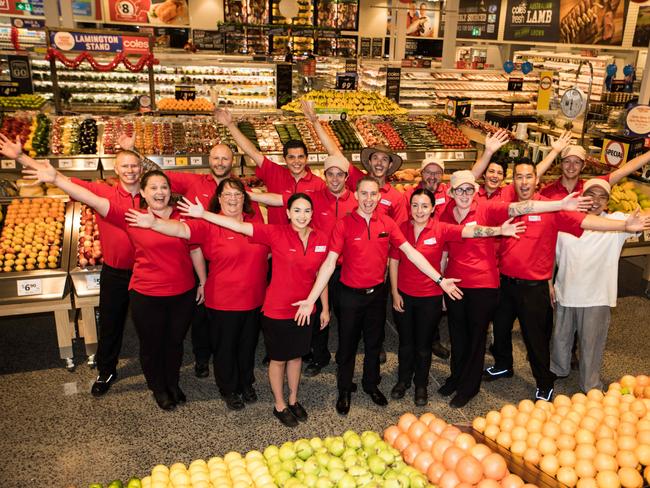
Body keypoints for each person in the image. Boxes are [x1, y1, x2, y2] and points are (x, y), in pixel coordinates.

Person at [24, 164, 204, 411]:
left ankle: (173, 382)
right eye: (153, 187)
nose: (160, 192)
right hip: (147, 293)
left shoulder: (184, 215)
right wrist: (57, 178)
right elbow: (94, 200)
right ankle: (159, 388)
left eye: (164, 187)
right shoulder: (132, 216)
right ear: (143, 191)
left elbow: (195, 249)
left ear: (170, 190)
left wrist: (202, 281)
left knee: (174, 341)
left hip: (182, 293)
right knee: (151, 344)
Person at [293, 177, 463, 415]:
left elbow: (412, 254)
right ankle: (344, 389)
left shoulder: (387, 223)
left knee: (374, 345)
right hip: (349, 295)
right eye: (364, 194)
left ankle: (370, 385)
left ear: (378, 197)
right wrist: (311, 299)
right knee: (347, 346)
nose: (369, 199)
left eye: (374, 194)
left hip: (376, 296)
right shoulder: (343, 224)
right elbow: (329, 263)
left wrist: (440, 280)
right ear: (356, 195)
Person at [486, 159, 650, 401]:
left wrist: (625, 225)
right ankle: (503, 364)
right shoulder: (508, 205)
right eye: (519, 177)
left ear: (536, 180)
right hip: (507, 282)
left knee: (536, 340)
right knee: (500, 330)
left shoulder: (554, 209)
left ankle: (545, 383)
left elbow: (586, 222)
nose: (524, 182)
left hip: (534, 288)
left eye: (529, 176)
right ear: (513, 181)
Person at [0, 134, 143, 398]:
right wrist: (21, 157)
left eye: (134, 165)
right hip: (115, 272)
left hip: (148, 274)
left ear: (141, 168)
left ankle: (156, 369)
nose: (130, 170)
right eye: (125, 166)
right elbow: (58, 178)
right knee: (111, 324)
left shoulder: (153, 193)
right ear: (116, 169)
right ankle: (106, 371)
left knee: (149, 325)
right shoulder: (102, 191)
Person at [438, 170, 592, 408]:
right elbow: (445, 249)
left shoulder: (487, 208)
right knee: (457, 336)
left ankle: (468, 387)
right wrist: (441, 282)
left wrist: (560, 203)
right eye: (460, 189)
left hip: (482, 284)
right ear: (451, 193)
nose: (465, 194)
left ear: (475, 191)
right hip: (455, 284)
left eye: (469, 189)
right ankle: (455, 377)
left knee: (476, 338)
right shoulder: (446, 212)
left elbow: (524, 207)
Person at [118, 134, 263, 379]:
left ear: (233, 161)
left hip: (230, 257)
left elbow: (254, 220)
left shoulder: (239, 190)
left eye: (225, 158)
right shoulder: (194, 182)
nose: (220, 162)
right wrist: (135, 151)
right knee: (200, 312)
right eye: (216, 158)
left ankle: (225, 357)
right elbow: (159, 176)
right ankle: (202, 358)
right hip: (197, 254)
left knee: (224, 315)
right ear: (209, 160)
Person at [178, 192, 330, 427]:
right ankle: (279, 404)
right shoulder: (275, 233)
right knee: (278, 359)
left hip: (306, 309)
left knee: (297, 356)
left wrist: (324, 308)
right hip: (277, 309)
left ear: (312, 213)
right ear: (288, 213)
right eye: (297, 210)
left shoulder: (321, 238)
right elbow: (238, 226)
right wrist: (203, 215)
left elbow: (322, 275)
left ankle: (293, 399)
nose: (302, 215)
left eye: (307, 211)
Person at [127, 178, 269, 410]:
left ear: (245, 198)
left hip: (254, 298)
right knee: (225, 348)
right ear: (219, 199)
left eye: (238, 194)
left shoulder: (255, 222)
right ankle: (229, 388)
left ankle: (247, 383)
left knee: (248, 346)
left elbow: (269, 251)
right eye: (227, 195)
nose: (233, 199)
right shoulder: (207, 225)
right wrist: (154, 223)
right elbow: (181, 229)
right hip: (224, 300)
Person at [389, 185, 526, 406]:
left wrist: (499, 230)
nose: (420, 210)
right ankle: (404, 381)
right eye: (415, 205)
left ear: (433, 208)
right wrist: (394, 292)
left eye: (425, 206)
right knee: (407, 344)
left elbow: (470, 231)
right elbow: (394, 260)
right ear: (409, 207)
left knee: (425, 346)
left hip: (432, 295)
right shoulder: (400, 228)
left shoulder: (441, 228)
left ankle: (422, 386)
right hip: (406, 294)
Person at [250, 154, 357, 377]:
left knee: (344, 316)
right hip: (315, 265)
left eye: (340, 174)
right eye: (330, 174)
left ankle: (342, 359)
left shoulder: (357, 201)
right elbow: (279, 199)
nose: (335, 179)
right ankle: (317, 355)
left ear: (347, 177)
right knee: (316, 313)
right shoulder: (313, 197)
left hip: (347, 268)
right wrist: (244, 195)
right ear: (324, 176)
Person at [551, 179, 642, 392]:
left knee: (591, 344)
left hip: (596, 296)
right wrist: (549, 282)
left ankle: (590, 385)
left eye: (602, 197)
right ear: (582, 197)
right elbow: (551, 254)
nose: (596, 201)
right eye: (591, 195)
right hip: (566, 289)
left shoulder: (617, 222)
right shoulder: (566, 220)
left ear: (608, 202)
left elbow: (640, 221)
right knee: (560, 339)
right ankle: (557, 371)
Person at [301, 100, 408, 226]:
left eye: (384, 159)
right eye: (375, 158)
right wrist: (315, 122)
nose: (379, 163)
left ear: (390, 165)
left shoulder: (396, 198)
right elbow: (334, 152)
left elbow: (400, 229)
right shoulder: (358, 179)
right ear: (369, 162)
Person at [215, 107, 325, 225]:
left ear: (306, 158)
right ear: (285, 159)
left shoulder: (319, 184)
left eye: (300, 157)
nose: (296, 161)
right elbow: (252, 152)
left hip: (305, 240)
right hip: (276, 238)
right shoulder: (275, 172)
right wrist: (230, 125)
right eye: (291, 157)